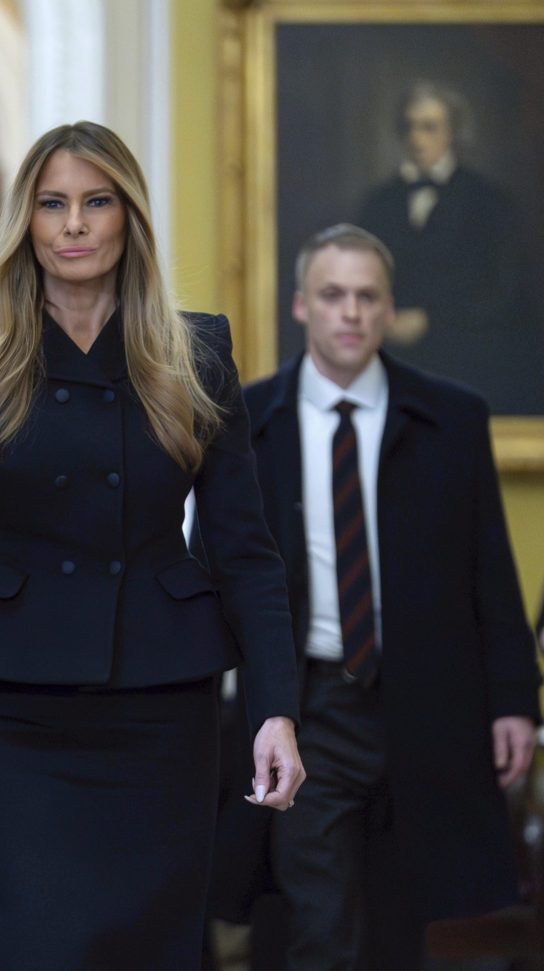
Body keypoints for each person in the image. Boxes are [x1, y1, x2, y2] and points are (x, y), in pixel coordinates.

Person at [0, 121, 305, 969]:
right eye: (53, 204)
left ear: (129, 218)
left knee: (150, 948)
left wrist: (275, 709)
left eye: (96, 202)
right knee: (38, 943)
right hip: (10, 709)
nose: (74, 223)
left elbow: (245, 551)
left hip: (161, 705)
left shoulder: (194, 352)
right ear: (27, 223)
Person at [220, 223, 540, 970]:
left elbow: (489, 568)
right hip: (309, 700)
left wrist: (514, 700)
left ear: (390, 309)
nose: (351, 312)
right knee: (317, 917)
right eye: (333, 295)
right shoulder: (250, 421)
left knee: (402, 915)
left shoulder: (450, 418)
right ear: (301, 305)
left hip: (426, 701)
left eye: (368, 297)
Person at [355, 81, 538, 414]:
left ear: (453, 133)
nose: (417, 138)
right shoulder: (378, 204)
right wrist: (384, 319)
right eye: (409, 127)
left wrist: (431, 320)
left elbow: (503, 288)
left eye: (429, 127)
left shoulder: (490, 202)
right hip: (391, 363)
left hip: (469, 360)